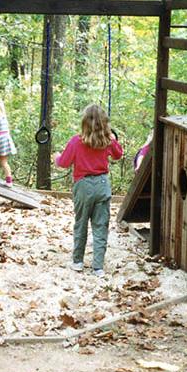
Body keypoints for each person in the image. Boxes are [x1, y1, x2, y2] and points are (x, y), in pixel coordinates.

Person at [53, 105, 123, 278]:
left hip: (83, 185)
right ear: (104, 123)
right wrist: (113, 138)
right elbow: (118, 155)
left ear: (84, 122)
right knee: (100, 226)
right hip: (102, 183)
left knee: (81, 222)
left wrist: (56, 157)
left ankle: (78, 261)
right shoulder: (108, 141)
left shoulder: (76, 141)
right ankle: (98, 266)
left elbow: (63, 163)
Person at [0, 99, 17, 187]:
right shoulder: (4, 118)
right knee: (4, 162)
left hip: (0, 141)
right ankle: (9, 180)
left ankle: (8, 182)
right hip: (6, 139)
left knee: (2, 162)